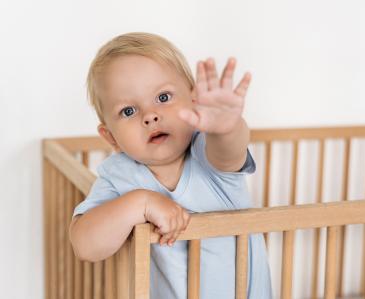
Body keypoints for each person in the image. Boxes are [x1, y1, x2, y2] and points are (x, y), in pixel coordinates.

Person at [69, 32, 272, 298]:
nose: (150, 116)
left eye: (163, 97)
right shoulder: (120, 176)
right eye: (128, 111)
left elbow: (229, 153)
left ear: (194, 100)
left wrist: (227, 127)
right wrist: (140, 202)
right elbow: (85, 245)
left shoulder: (206, 151)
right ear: (110, 137)